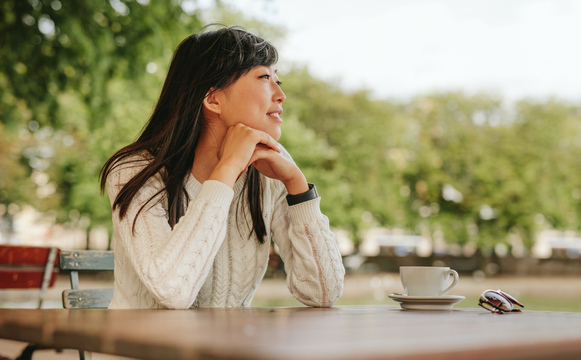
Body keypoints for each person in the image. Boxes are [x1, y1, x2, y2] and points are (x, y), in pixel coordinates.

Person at [99, 25, 345, 312]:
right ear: (213, 99)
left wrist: (297, 186)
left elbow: (323, 294)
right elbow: (173, 291)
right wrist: (227, 170)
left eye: (279, 81)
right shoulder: (134, 171)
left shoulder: (271, 169)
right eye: (265, 78)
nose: (281, 95)